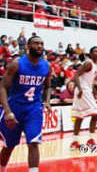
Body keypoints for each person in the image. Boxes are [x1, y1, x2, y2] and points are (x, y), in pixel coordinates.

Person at [0, 36, 52, 172]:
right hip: (15, 108)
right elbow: (3, 87)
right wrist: (7, 111)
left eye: (41, 43)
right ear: (28, 47)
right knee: (8, 146)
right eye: (36, 43)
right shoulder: (17, 63)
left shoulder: (47, 66)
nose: (39, 46)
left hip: (34, 109)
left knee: (34, 143)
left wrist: (46, 101)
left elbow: (47, 87)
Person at [70, 47, 97, 149]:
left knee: (79, 117)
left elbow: (90, 83)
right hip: (82, 90)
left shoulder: (94, 66)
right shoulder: (88, 63)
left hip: (85, 89)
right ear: (91, 54)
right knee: (95, 114)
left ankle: (74, 142)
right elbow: (76, 76)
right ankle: (90, 140)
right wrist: (80, 89)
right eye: (96, 51)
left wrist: (96, 93)